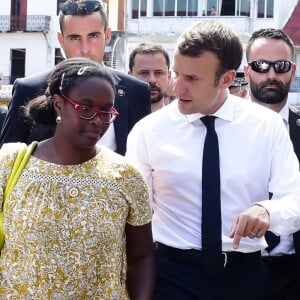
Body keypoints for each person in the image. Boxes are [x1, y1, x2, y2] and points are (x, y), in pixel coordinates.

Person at [126, 20, 300, 299]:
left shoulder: (266, 126)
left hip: (246, 279)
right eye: (176, 74)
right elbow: (131, 217)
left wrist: (268, 212)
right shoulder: (148, 131)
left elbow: (294, 197)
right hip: (170, 277)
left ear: (227, 79)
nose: (177, 87)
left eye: (192, 79)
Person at [0, 57, 154, 299]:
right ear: (59, 104)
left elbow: (141, 256)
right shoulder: (10, 163)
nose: (97, 121)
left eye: (106, 112)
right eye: (86, 109)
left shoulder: (126, 176)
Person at [0, 0, 151, 155]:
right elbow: (6, 160)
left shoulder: (136, 92)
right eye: (74, 38)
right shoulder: (29, 88)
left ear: (106, 36)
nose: (85, 49)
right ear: (61, 40)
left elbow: (146, 159)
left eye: (93, 36)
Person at [244, 28, 300, 300]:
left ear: (293, 71)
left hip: (293, 274)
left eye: (280, 66)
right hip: (235, 270)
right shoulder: (219, 128)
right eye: (260, 66)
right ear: (246, 70)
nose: (270, 75)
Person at [128, 42, 170, 112]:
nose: (152, 80)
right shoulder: (114, 120)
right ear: (130, 77)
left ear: (169, 76)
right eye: (144, 73)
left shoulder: (182, 121)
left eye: (158, 73)